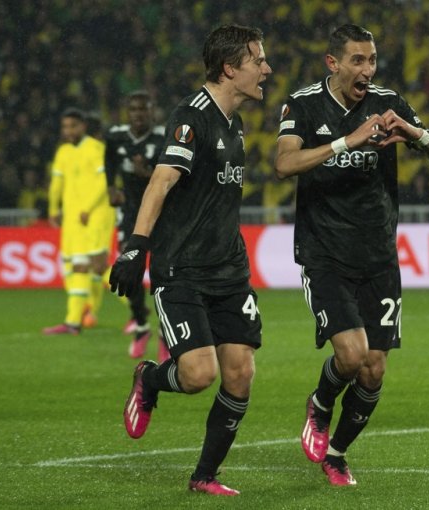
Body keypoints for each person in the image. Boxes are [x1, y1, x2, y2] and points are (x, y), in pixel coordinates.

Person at [275, 24, 429, 486]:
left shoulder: (387, 101)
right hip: (325, 252)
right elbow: (284, 164)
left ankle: (336, 454)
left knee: (374, 369)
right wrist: (346, 141)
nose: (367, 70)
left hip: (378, 253)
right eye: (358, 60)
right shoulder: (303, 104)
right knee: (352, 355)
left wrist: (416, 134)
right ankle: (319, 402)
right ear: (332, 63)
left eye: (372, 60)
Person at [109, 24, 272, 496]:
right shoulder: (192, 117)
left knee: (240, 373)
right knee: (200, 375)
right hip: (182, 268)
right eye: (258, 60)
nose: (266, 68)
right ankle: (150, 379)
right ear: (229, 68)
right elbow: (160, 180)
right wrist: (136, 246)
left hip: (230, 269)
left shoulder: (234, 122)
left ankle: (205, 476)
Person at [104, 90, 169, 362]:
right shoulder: (116, 136)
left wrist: (148, 174)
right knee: (128, 270)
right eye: (133, 110)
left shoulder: (163, 136)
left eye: (143, 110)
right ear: (126, 112)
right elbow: (109, 162)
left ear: (152, 112)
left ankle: (167, 332)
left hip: (161, 215)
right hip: (130, 214)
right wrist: (110, 187)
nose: (138, 115)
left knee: (165, 274)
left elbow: (172, 174)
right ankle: (141, 325)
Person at [43, 108, 114, 335]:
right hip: (73, 220)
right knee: (78, 268)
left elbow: (105, 182)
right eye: (65, 127)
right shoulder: (63, 152)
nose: (69, 131)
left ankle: (137, 307)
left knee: (97, 266)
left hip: (92, 216)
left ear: (83, 126)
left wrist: (88, 208)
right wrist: (54, 209)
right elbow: (56, 184)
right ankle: (73, 322)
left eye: (73, 126)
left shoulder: (95, 149)